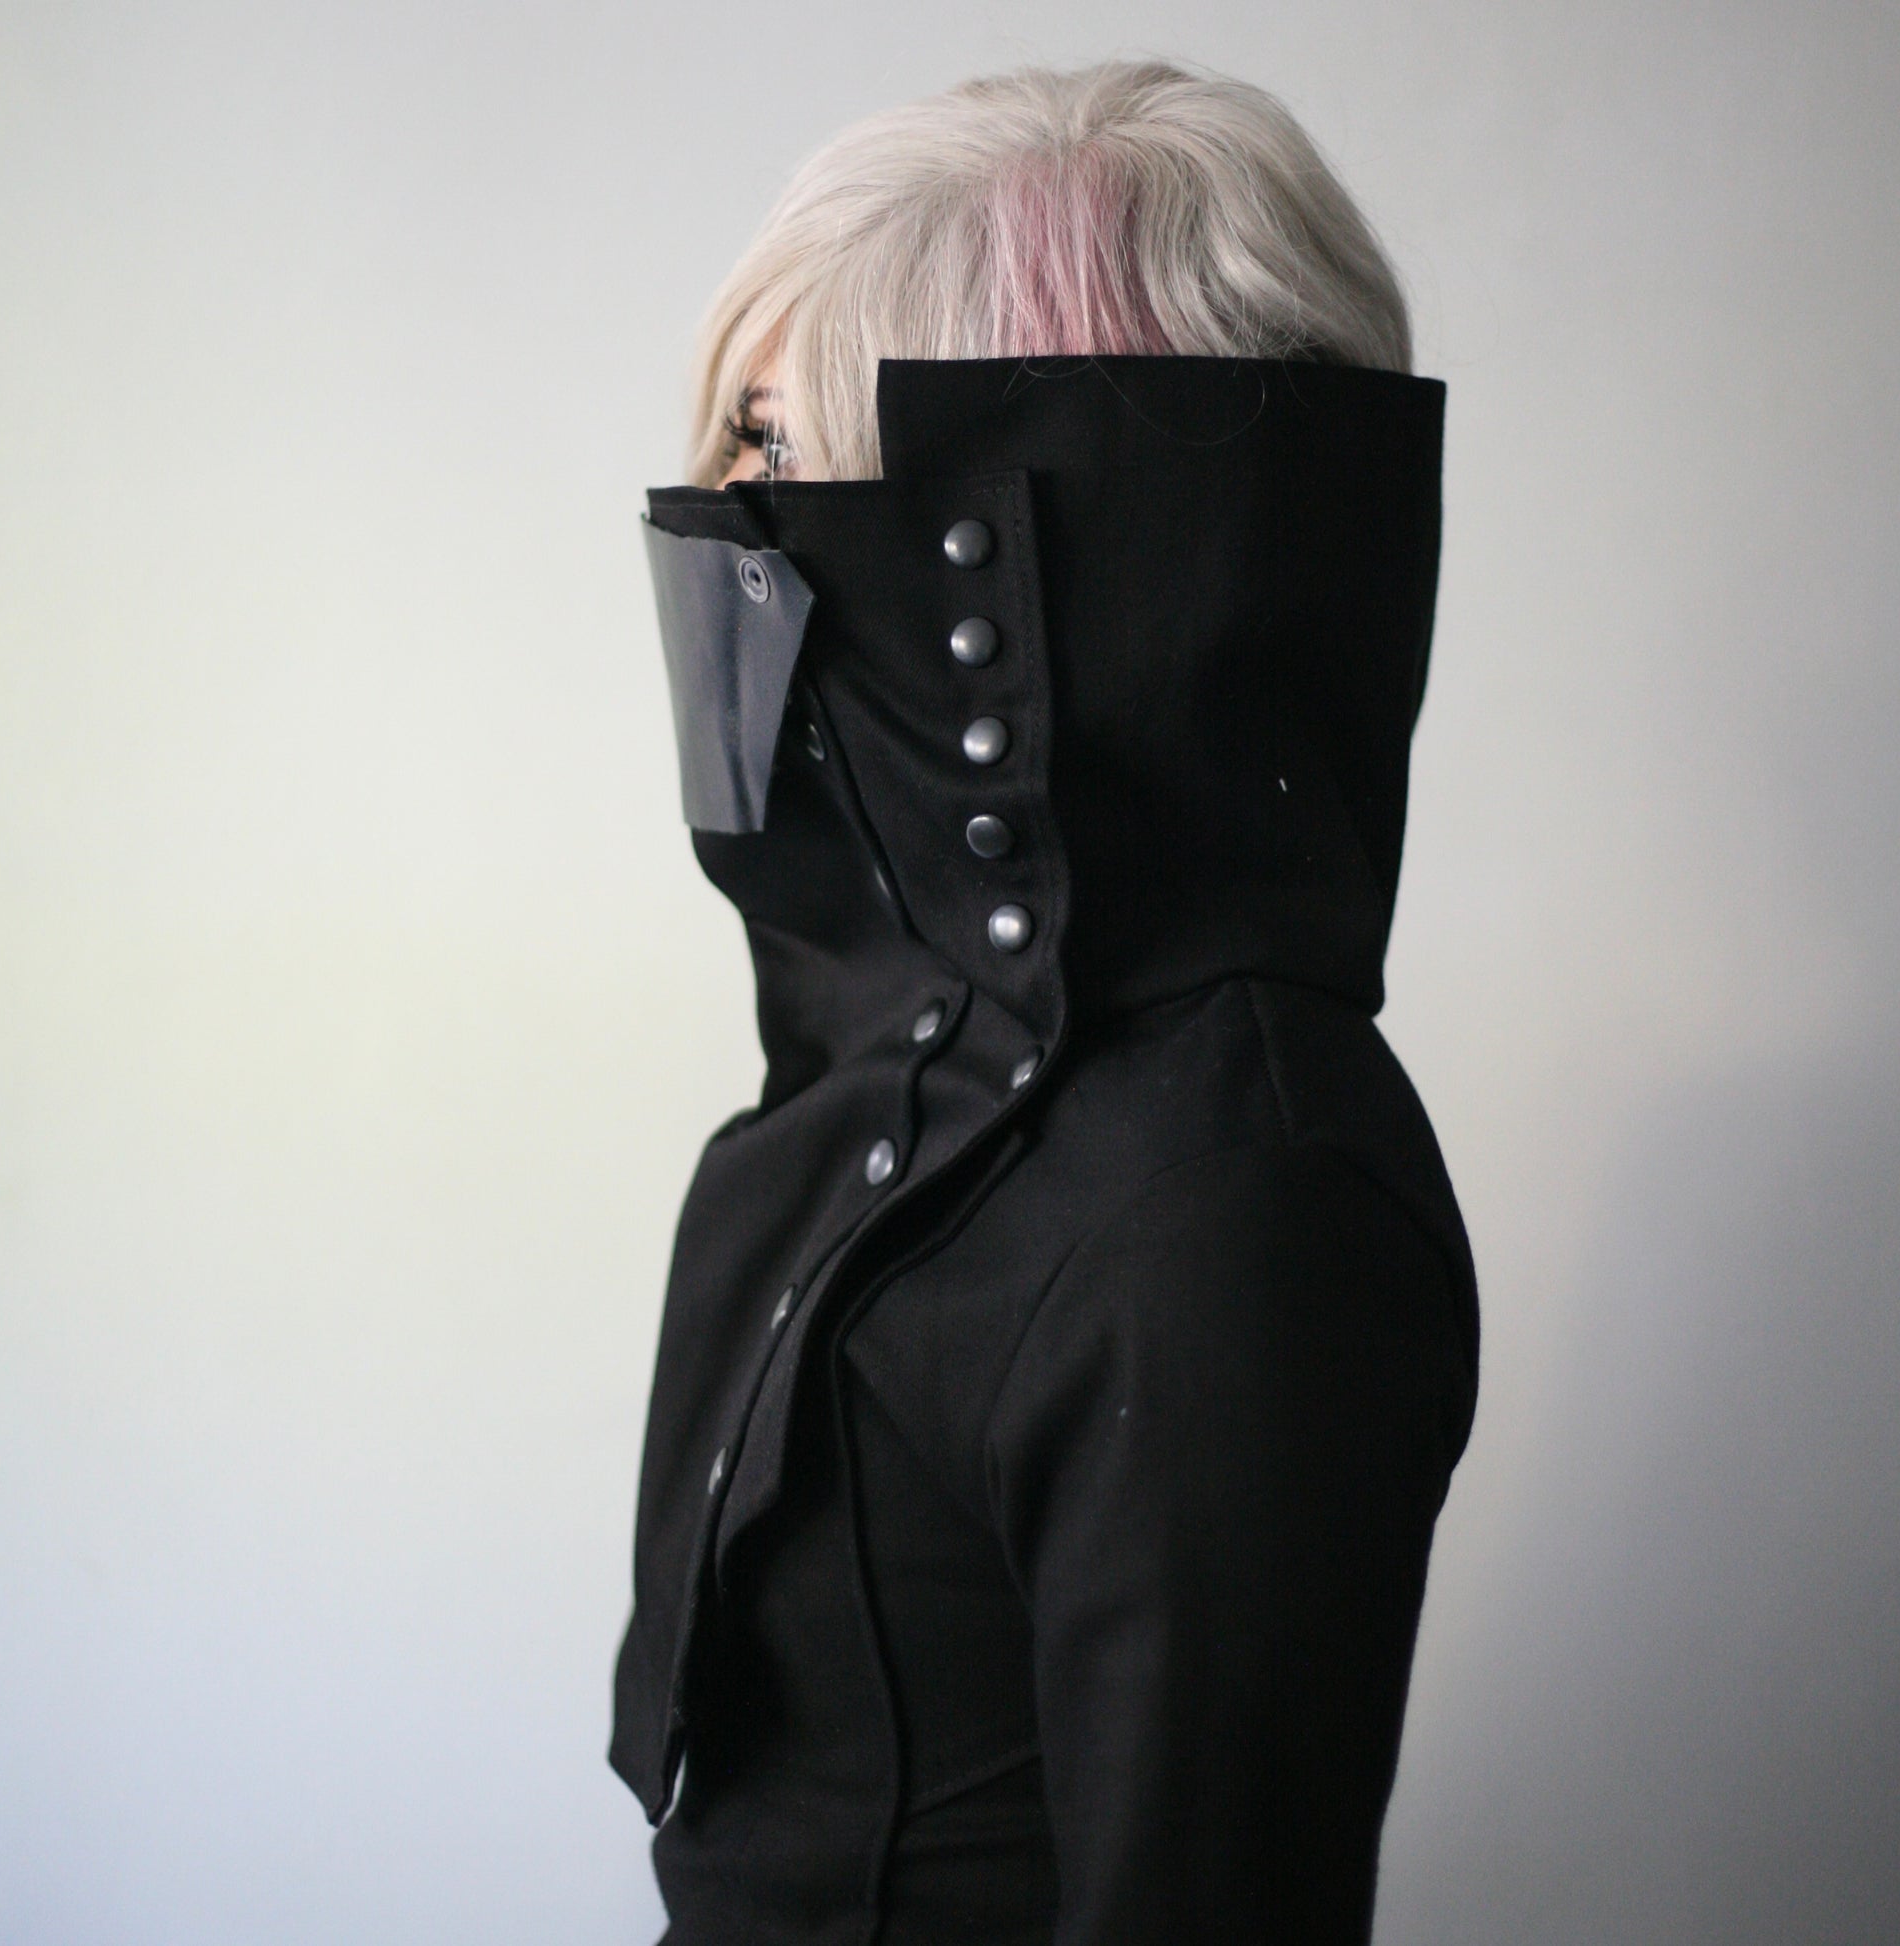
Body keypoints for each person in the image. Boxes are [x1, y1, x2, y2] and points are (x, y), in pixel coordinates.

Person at [612, 57, 1479, 1945]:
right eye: (733, 440)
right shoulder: (906, 1082)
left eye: (780, 443)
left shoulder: (1224, 1199)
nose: (725, 514)